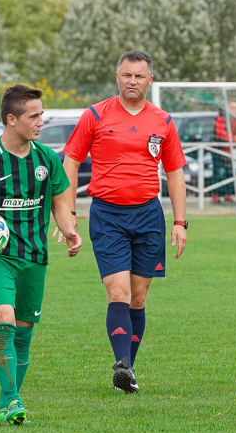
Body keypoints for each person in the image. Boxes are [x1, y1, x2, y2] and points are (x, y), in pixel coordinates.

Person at [0, 85, 81, 424]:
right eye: (33, 116)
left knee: (23, 333)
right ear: (11, 119)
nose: (41, 122)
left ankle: (5, 404)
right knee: (3, 319)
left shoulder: (47, 159)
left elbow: (60, 203)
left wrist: (68, 230)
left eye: (42, 115)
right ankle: (12, 400)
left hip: (35, 257)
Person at [62, 50, 187, 393]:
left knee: (139, 298)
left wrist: (180, 222)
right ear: (117, 77)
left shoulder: (163, 120)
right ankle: (122, 365)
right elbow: (70, 163)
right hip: (107, 215)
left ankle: (127, 372)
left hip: (149, 215)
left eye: (139, 75)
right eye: (127, 75)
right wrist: (67, 213)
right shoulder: (95, 115)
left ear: (150, 80)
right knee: (117, 291)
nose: (133, 81)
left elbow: (174, 172)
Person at [212, 99, 236, 202]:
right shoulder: (220, 118)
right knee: (218, 172)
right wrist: (233, 138)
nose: (233, 110)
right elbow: (220, 133)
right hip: (218, 150)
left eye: (235, 108)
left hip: (231, 152)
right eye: (231, 108)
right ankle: (216, 195)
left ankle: (227, 194)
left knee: (230, 173)